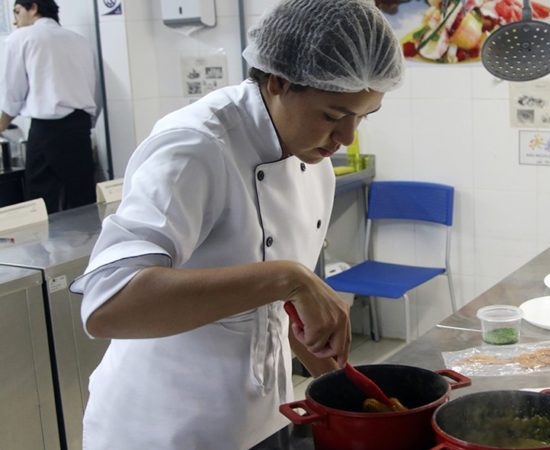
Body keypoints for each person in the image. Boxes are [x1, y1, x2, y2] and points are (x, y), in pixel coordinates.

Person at [68, 0, 404, 449]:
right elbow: (109, 304)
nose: (348, 138)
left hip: (264, 419)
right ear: (278, 82)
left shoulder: (314, 161)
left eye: (364, 116)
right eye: (333, 115)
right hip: (162, 427)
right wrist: (287, 278)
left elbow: (284, 317)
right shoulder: (196, 146)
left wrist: (350, 397)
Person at [0, 0, 97, 213]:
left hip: (47, 129)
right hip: (79, 129)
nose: (15, 21)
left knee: (42, 202)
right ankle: (90, 246)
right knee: (83, 200)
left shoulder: (21, 38)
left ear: (33, 8)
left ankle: (46, 248)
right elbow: (91, 89)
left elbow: (12, 97)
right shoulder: (79, 41)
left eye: (17, 12)